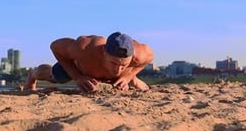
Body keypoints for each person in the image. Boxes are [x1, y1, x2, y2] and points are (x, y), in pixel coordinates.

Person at [24, 31, 154, 92]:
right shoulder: (84, 48)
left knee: (126, 77)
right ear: (103, 51)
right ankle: (32, 75)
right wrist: (78, 77)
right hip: (81, 69)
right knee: (55, 76)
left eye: (123, 65)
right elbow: (55, 46)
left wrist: (128, 76)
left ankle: (133, 79)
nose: (117, 69)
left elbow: (149, 58)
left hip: (118, 78)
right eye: (113, 63)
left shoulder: (140, 54)